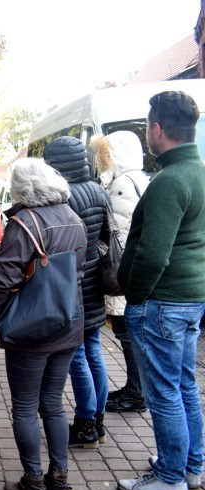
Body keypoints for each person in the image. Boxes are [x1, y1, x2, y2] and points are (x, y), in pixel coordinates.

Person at [117, 91, 205, 490]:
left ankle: (170, 476)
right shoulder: (198, 172)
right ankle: (191, 466)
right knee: (184, 385)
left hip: (164, 302)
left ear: (156, 129)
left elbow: (153, 254)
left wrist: (135, 296)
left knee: (165, 391)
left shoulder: (170, 181)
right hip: (189, 299)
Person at [0, 158, 86, 490]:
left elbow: (3, 279)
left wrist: (3, 321)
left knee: (25, 408)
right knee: (54, 404)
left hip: (31, 328)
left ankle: (33, 483)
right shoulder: (73, 217)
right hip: (68, 321)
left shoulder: (24, 222)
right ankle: (59, 480)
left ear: (21, 187)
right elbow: (80, 268)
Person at [44, 136, 111, 449]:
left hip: (73, 281)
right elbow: (106, 235)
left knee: (78, 355)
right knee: (94, 350)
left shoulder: (64, 196)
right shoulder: (98, 190)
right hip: (96, 278)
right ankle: (98, 420)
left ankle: (85, 424)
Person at [89, 131, 149, 413]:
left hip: (122, 270)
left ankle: (137, 394)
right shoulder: (139, 178)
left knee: (127, 333)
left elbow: (119, 233)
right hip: (132, 268)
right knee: (130, 333)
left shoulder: (123, 184)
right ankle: (134, 388)